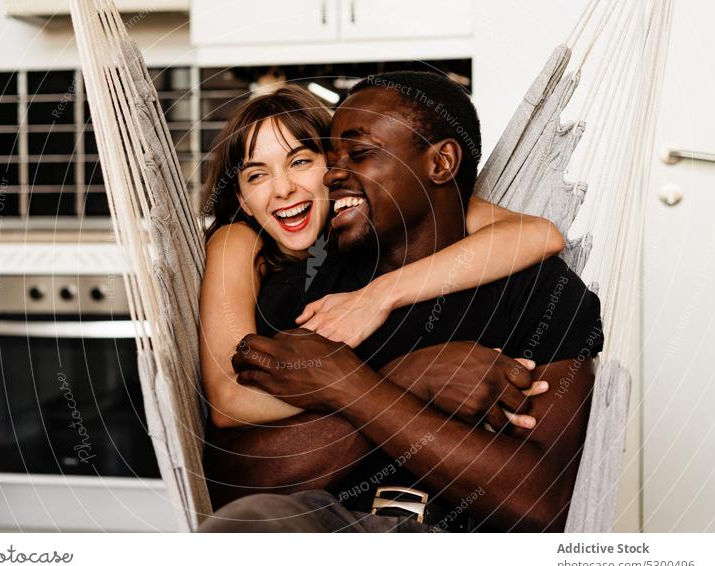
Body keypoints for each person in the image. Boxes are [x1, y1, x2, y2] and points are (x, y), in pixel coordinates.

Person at [199, 71, 604, 533]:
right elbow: (234, 490)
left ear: (440, 163)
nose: (331, 175)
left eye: (358, 153)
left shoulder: (538, 291)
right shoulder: (299, 283)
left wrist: (347, 387)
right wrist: (409, 379)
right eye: (331, 158)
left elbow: (543, 503)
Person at [200, 84, 564, 433]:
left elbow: (538, 235)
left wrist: (380, 295)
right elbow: (229, 397)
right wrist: (395, 382)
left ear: (333, 167)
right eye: (258, 175)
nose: (282, 188)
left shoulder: (370, 215)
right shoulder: (239, 241)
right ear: (244, 199)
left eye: (299, 162)